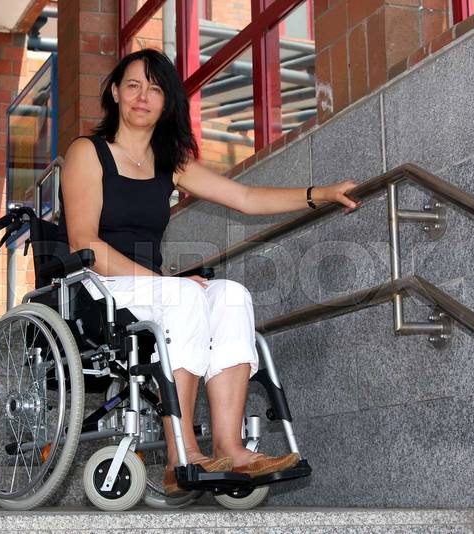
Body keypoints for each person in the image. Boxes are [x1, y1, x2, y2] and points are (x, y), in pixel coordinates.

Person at [57, 49, 357, 495]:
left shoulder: (169, 161)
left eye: (155, 89)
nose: (142, 97)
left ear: (167, 101)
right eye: (133, 85)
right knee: (186, 294)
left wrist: (321, 194)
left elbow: (246, 198)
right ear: (115, 92)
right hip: (99, 286)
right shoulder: (88, 152)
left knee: (231, 294)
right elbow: (86, 243)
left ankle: (230, 447)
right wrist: (166, 283)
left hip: (152, 289)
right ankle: (182, 456)